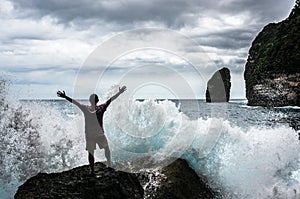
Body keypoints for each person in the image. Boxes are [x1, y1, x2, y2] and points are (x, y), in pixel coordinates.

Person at [57, 86, 126, 176]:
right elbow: (110, 100)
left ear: (90, 101)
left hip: (90, 134)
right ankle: (109, 165)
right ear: (97, 100)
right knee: (106, 149)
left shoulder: (86, 108)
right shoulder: (101, 108)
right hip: (99, 134)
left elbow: (75, 102)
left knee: (91, 152)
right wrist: (119, 93)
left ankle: (92, 171)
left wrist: (65, 97)